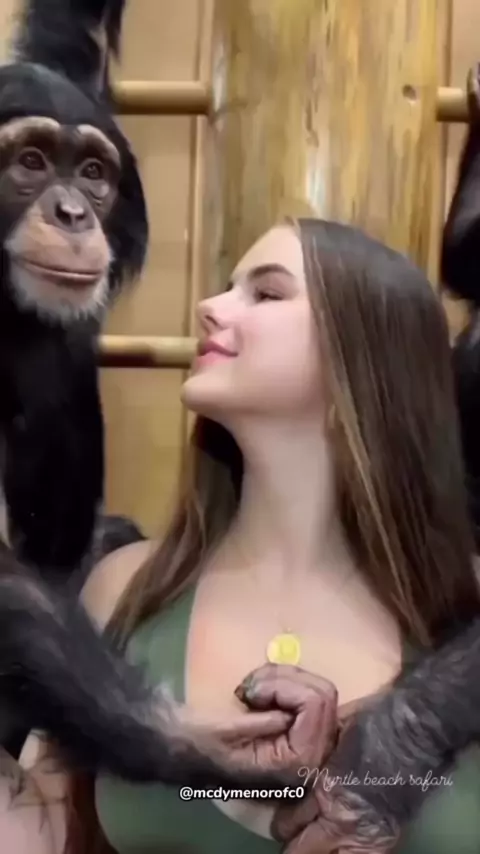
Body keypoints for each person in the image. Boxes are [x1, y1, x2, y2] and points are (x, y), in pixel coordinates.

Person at [13, 216, 480, 853]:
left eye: (266, 292)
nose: (208, 306)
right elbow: (47, 826)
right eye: (229, 286)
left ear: (364, 356)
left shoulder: (466, 606)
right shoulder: (123, 586)